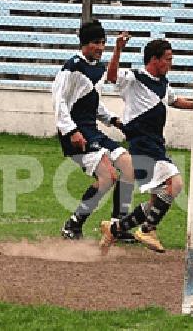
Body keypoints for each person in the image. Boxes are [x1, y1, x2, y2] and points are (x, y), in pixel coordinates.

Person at [99, 35, 193, 255]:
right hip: (142, 145)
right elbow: (111, 77)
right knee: (175, 185)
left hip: (156, 145)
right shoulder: (134, 78)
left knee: (156, 201)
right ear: (154, 59)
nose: (171, 63)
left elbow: (176, 101)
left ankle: (114, 229)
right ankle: (148, 229)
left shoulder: (163, 84)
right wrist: (118, 49)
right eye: (167, 59)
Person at [53, 19, 137, 243]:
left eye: (103, 42)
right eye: (95, 43)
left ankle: (117, 227)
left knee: (128, 166)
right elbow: (59, 101)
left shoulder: (97, 69)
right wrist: (71, 131)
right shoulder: (72, 67)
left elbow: (92, 102)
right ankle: (73, 224)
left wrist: (114, 120)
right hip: (76, 135)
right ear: (84, 44)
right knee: (108, 177)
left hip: (92, 131)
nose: (100, 47)